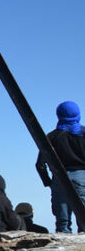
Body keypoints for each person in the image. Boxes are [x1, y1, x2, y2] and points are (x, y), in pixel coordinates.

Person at [36, 100, 85, 233]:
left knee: (62, 224)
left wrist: (49, 182)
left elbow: (40, 164)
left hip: (60, 178)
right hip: (82, 178)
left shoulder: (51, 137)